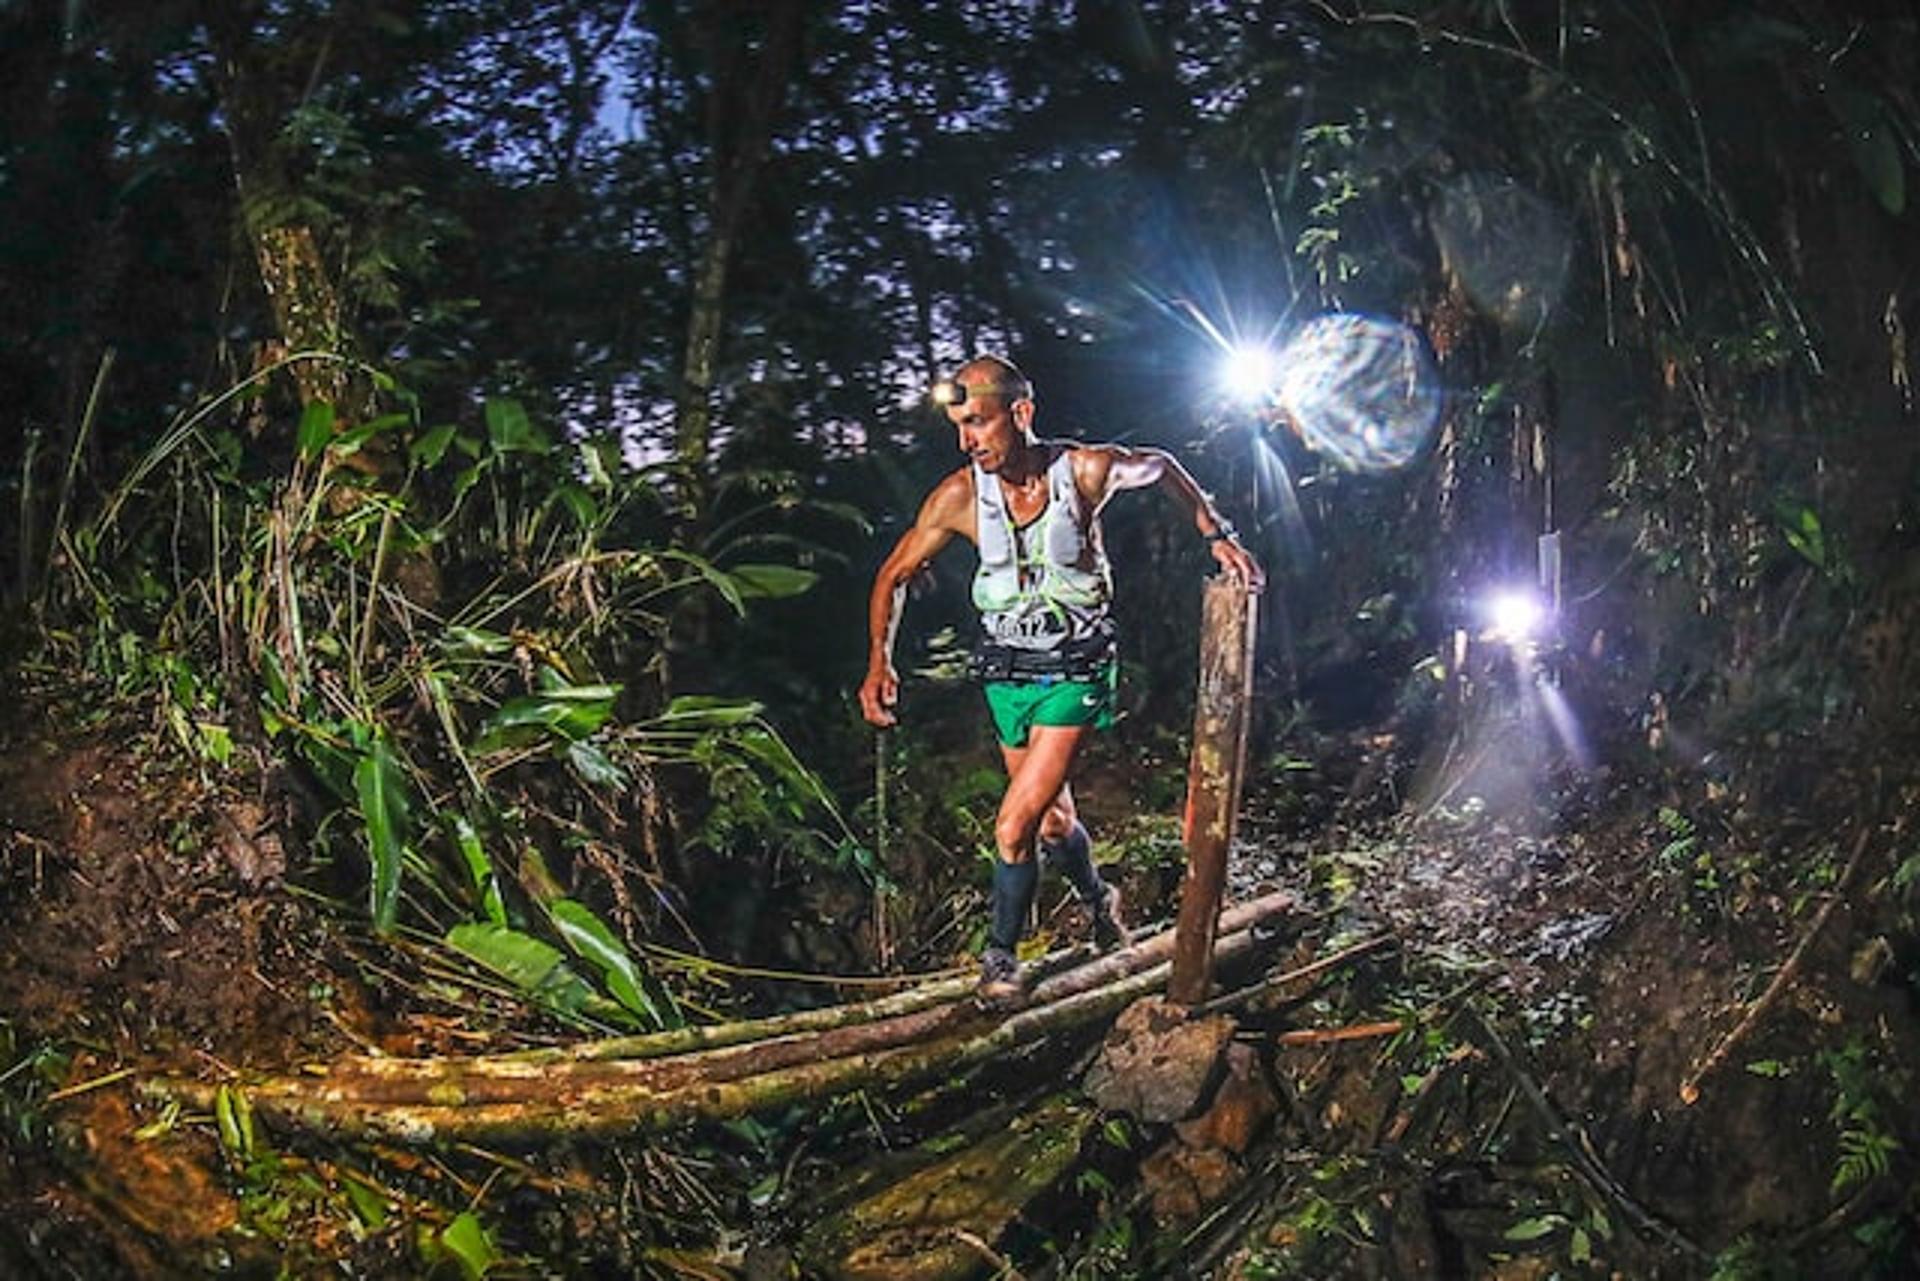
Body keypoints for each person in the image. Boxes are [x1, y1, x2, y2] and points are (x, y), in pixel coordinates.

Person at [858, 355, 1264, 1002]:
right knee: (1051, 822)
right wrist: (881, 659)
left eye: (980, 423)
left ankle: (1000, 959)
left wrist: (1216, 533)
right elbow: (892, 575)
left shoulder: (1085, 470)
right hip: (1007, 675)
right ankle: (1102, 902)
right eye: (960, 427)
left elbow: (1162, 466)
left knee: (1013, 824)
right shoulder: (959, 496)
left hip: (1075, 671)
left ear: (1021, 413)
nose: (969, 440)